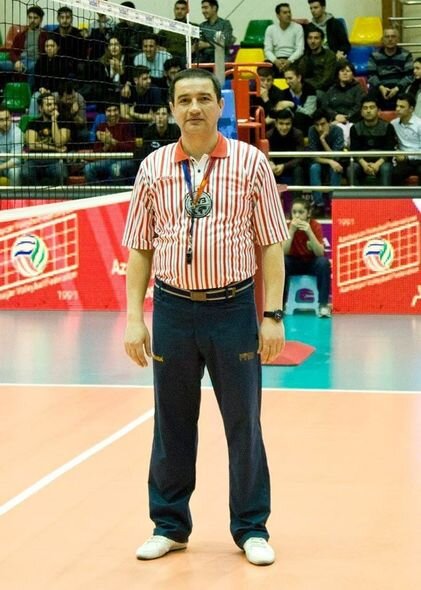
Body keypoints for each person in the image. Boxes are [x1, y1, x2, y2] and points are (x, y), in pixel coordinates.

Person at [122, 68, 288, 566]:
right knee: (171, 422)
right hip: (172, 309)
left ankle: (251, 528)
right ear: (172, 108)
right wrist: (134, 317)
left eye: (203, 99)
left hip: (232, 309)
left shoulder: (250, 163)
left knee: (243, 422)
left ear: (220, 106)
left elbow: (271, 244)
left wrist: (273, 315)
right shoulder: (153, 167)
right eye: (184, 100)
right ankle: (169, 526)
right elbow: (140, 248)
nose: (194, 107)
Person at [283, 196, 331, 317]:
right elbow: (284, 251)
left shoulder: (315, 226)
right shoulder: (288, 226)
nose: (297, 216)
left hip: (311, 263)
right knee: (283, 262)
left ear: (308, 213)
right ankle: (280, 305)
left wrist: (309, 232)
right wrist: (291, 231)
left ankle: (323, 305)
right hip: (294, 262)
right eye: (294, 212)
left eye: (301, 212)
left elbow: (320, 253)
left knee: (323, 263)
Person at [347, 96, 397, 186]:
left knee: (386, 169)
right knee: (351, 169)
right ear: (361, 112)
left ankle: (385, 195)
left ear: (378, 110)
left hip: (382, 161)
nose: (368, 111)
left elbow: (390, 150)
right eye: (365, 108)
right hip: (362, 162)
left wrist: (377, 164)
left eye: (372, 107)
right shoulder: (355, 128)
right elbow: (354, 150)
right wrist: (364, 165)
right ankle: (355, 195)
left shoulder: (388, 127)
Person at [22, 93, 70, 185]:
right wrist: (55, 149)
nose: (53, 107)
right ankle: (35, 194)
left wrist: (54, 121)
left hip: (55, 160)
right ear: (40, 108)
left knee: (60, 173)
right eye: (49, 104)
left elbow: (59, 142)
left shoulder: (64, 122)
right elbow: (32, 145)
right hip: (34, 159)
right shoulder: (33, 123)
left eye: (54, 104)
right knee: (25, 173)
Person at [84, 101, 137, 184]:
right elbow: (96, 152)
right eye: (109, 111)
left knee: (115, 168)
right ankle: (99, 192)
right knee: (88, 168)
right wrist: (106, 146)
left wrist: (113, 142)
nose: (112, 114)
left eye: (115, 110)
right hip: (108, 160)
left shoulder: (127, 124)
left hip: (126, 160)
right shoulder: (101, 127)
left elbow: (131, 147)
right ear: (105, 113)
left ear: (119, 111)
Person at [308, 108, 344, 217]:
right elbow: (314, 157)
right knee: (314, 168)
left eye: (323, 124)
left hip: (335, 163)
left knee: (336, 168)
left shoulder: (338, 131)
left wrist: (323, 140)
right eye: (317, 125)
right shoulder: (312, 130)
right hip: (321, 163)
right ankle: (319, 205)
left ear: (330, 122)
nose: (319, 128)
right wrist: (329, 161)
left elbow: (335, 157)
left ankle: (334, 204)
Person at [320, 60, 366, 146]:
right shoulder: (331, 89)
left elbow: (359, 106)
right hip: (334, 121)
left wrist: (346, 117)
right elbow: (325, 106)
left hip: (352, 121)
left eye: (348, 71)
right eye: (342, 71)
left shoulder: (358, 89)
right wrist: (335, 116)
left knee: (348, 130)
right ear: (338, 74)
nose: (345, 73)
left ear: (353, 74)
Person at [0, 6, 47, 88]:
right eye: (30, 17)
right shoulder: (21, 35)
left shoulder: (45, 35)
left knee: (33, 67)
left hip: (34, 62)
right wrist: (16, 61)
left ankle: (29, 92)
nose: (32, 20)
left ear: (41, 19)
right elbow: (12, 51)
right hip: (20, 61)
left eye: (35, 18)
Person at [367, 28, 413, 110]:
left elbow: (409, 76)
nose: (390, 39)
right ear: (382, 39)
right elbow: (371, 75)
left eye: (393, 36)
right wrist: (381, 87)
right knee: (371, 92)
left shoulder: (406, 54)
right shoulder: (374, 55)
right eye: (387, 37)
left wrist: (397, 88)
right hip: (380, 88)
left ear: (397, 39)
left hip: (399, 88)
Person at [267, 108, 305, 190]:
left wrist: (284, 166)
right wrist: (271, 163)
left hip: (291, 167)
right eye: (281, 123)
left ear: (292, 124)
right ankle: (273, 197)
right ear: (276, 123)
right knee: (268, 170)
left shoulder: (298, 134)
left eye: (287, 124)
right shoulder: (269, 135)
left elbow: (300, 158)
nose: (284, 127)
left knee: (298, 170)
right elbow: (266, 156)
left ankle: (297, 198)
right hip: (276, 168)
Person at [264, 3, 304, 77]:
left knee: (303, 64)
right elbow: (267, 50)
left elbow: (300, 49)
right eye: (285, 13)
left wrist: (289, 61)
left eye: (289, 12)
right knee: (263, 68)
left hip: (292, 59)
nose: (288, 15)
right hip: (276, 59)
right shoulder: (270, 29)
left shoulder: (298, 28)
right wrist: (275, 61)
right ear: (278, 15)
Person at [277, 64, 317, 135]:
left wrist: (293, 106)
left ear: (299, 78)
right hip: (290, 125)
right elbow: (286, 114)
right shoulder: (284, 93)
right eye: (286, 79)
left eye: (290, 78)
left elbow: (309, 113)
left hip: (307, 123)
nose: (287, 82)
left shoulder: (310, 90)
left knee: (299, 116)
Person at [391, 93, 421, 185]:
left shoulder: (419, 124)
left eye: (402, 107)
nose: (397, 109)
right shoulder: (393, 124)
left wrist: (408, 156)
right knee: (395, 174)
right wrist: (397, 153)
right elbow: (392, 144)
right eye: (397, 106)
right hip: (404, 161)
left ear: (411, 109)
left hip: (419, 159)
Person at [298, 25, 336, 94]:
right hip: (305, 88)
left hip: (322, 89)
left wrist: (309, 88)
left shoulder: (329, 55)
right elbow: (299, 75)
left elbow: (327, 79)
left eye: (316, 38)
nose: (312, 41)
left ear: (322, 40)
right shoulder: (305, 56)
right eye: (310, 38)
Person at [0, 107, 23, 185]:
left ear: (11, 118)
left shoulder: (17, 132)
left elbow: (16, 160)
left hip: (12, 165)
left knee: (14, 173)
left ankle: (14, 193)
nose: (5, 123)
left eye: (7, 118)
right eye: (1, 120)